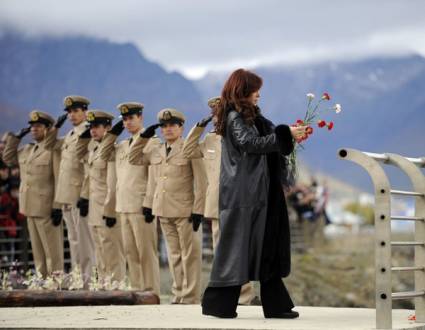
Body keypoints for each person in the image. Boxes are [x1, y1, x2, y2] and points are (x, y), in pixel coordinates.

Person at [201, 68, 307, 318]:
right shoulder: (235, 117)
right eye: (255, 89)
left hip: (257, 192)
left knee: (262, 244)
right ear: (244, 91)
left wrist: (287, 134)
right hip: (244, 195)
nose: (259, 94)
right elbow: (250, 144)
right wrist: (284, 134)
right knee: (239, 247)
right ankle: (219, 305)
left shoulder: (249, 117)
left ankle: (272, 305)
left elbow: (264, 141)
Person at [182, 96, 258, 305]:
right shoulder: (209, 140)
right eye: (214, 114)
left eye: (220, 113)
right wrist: (198, 127)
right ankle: (228, 294)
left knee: (241, 249)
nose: (216, 117)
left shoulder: (240, 136)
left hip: (238, 202)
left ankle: (246, 295)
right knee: (221, 251)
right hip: (216, 204)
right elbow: (187, 151)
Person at [141, 108, 206, 304]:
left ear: (181, 127)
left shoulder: (189, 148)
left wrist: (198, 210)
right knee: (174, 254)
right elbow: (135, 158)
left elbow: (202, 182)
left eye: (172, 125)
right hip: (163, 209)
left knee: (190, 255)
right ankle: (178, 294)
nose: (168, 129)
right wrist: (144, 137)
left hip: (185, 210)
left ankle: (191, 296)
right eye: (164, 126)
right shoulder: (157, 150)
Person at [97, 102, 160, 296]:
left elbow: (153, 176)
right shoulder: (122, 145)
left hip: (141, 206)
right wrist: (112, 134)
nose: (128, 122)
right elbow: (103, 154)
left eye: (131, 118)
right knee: (131, 253)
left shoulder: (152, 142)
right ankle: (137, 291)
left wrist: (149, 203)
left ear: (140, 118)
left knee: (146, 253)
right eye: (124, 119)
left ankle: (152, 293)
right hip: (123, 205)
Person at [2, 110, 63, 277]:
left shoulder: (53, 150)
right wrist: (16, 138)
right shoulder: (27, 149)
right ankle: (42, 280)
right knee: (37, 250)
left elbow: (59, 179)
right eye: (32, 126)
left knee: (52, 250)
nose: (34, 129)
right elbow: (8, 159)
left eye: (38, 126)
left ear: (48, 129)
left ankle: (56, 282)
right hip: (29, 206)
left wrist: (57, 206)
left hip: (46, 207)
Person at [53, 95, 95, 283]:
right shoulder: (70, 135)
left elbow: (89, 167)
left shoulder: (88, 133)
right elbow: (48, 145)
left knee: (85, 243)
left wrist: (85, 194)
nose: (72, 115)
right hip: (67, 196)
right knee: (74, 241)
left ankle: (88, 282)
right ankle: (79, 280)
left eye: (76, 111)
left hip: (79, 195)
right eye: (69, 112)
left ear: (85, 112)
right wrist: (55, 128)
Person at [82, 110, 125, 283]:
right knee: (99, 251)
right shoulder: (94, 150)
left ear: (108, 128)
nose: (93, 130)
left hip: (107, 211)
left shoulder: (111, 151)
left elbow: (113, 185)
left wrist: (110, 211)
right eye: (91, 127)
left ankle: (116, 287)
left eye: (97, 126)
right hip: (94, 210)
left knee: (112, 252)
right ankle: (103, 287)